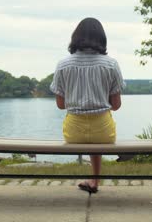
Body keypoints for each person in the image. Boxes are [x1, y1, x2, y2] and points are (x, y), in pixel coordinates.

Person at [50, 17, 125, 194]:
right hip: (104, 132)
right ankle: (95, 181)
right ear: (101, 38)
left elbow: (61, 105)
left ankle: (93, 181)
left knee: (88, 136)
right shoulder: (111, 64)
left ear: (75, 37)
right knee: (96, 137)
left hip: (73, 133)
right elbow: (116, 106)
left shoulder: (63, 65)